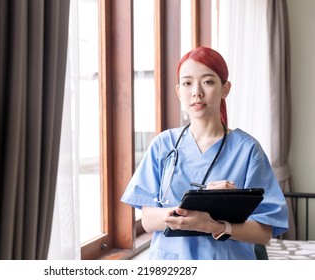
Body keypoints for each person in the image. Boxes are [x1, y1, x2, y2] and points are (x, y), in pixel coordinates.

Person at [120, 46, 288, 260]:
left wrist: (215, 225)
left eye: (208, 81)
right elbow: (148, 220)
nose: (196, 92)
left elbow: (264, 232)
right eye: (187, 83)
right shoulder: (163, 145)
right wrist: (196, 207)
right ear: (179, 91)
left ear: (225, 89)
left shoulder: (247, 150)